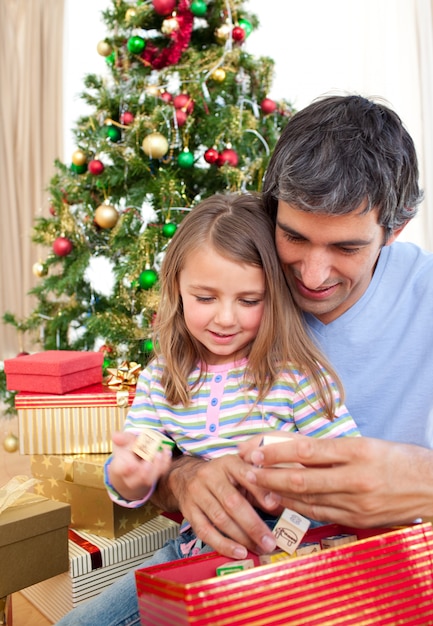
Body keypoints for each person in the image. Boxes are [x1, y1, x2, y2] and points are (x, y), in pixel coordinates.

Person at [57, 93, 433, 625]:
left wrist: (421, 482)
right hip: (213, 554)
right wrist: (182, 475)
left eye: (346, 248)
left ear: (394, 230)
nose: (311, 274)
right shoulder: (240, 276)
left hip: (363, 559)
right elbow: (151, 449)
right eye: (294, 237)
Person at [57, 192, 359, 625]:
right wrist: (126, 475)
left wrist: (297, 462)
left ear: (274, 297)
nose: (225, 318)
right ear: (177, 288)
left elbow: (352, 463)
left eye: (249, 301)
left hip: (290, 555)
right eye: (205, 298)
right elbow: (141, 456)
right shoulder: (162, 378)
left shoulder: (295, 376)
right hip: (192, 552)